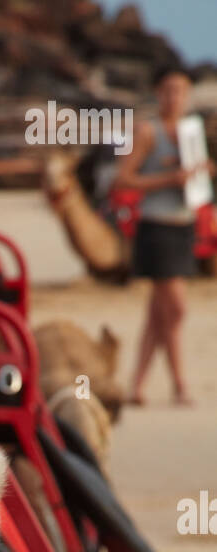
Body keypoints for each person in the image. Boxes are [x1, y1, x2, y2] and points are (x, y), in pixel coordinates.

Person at [116, 67, 213, 406]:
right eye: (169, 90)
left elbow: (197, 176)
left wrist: (200, 173)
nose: (175, 98)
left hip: (183, 222)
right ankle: (180, 383)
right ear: (159, 93)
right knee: (176, 309)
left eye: (181, 91)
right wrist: (169, 179)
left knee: (159, 313)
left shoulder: (191, 131)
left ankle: (138, 385)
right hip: (156, 226)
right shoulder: (147, 131)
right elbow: (124, 179)